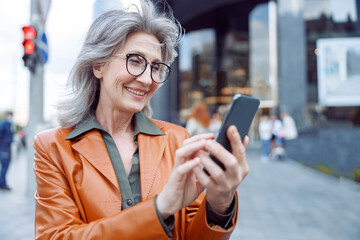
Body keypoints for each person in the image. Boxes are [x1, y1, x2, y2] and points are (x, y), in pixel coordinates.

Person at [33, 1, 250, 239]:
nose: (148, 79)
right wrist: (160, 208)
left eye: (156, 66)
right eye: (135, 60)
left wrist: (219, 204)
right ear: (98, 65)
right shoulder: (53, 147)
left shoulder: (177, 140)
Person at [0, 111, 14, 190]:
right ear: (6, 115)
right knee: (4, 167)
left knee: (6, 166)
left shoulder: (10, 125)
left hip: (8, 147)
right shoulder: (4, 124)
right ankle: (2, 184)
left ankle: (2, 183)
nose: (11, 117)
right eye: (9, 115)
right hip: (4, 148)